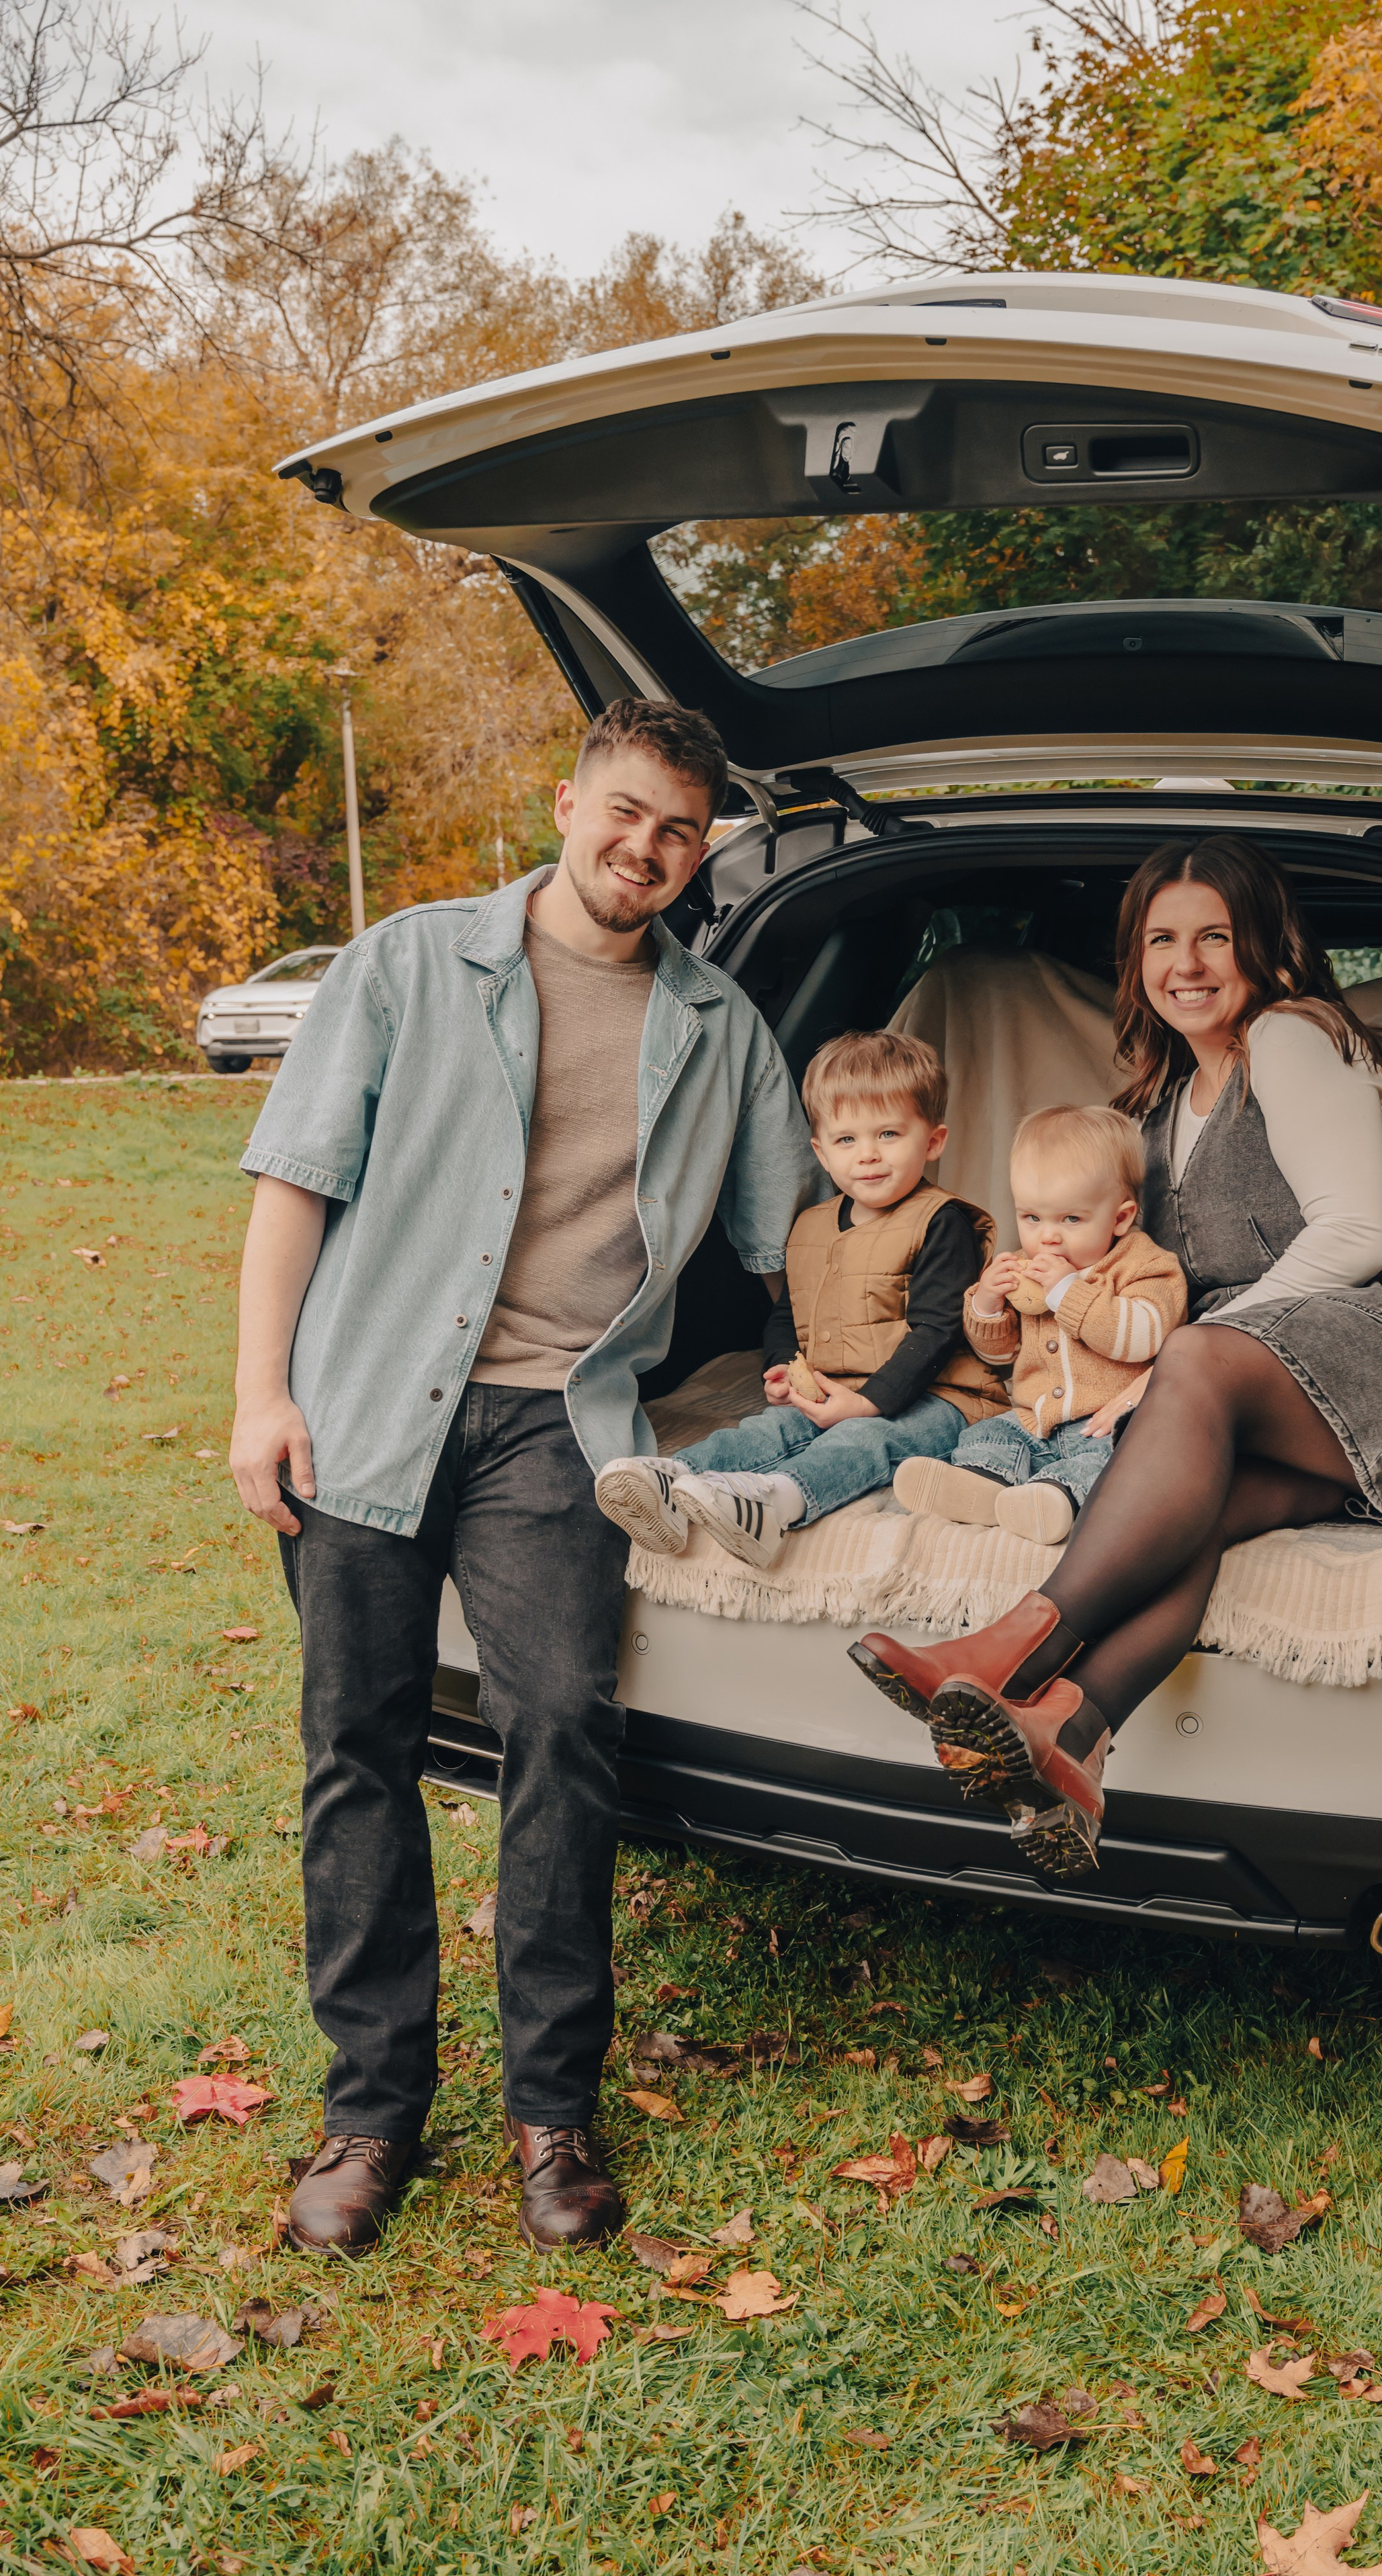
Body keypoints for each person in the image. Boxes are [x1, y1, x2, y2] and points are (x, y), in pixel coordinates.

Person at [228, 697, 819, 2258]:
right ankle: (371, 2116)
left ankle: (552, 2114)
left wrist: (852, 1349)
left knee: (560, 1724)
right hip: (363, 1408)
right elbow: (294, 1183)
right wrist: (259, 1396)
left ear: (702, 853)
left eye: (678, 830)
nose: (645, 847)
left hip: (561, 1425)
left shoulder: (718, 1029)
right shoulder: (410, 962)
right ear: (567, 802)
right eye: (624, 810)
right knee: (355, 1739)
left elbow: (794, 1244)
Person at [849, 834, 1382, 1881]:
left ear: (1265, 948)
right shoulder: (1153, 1108)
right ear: (1135, 959)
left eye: (1214, 936)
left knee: (1187, 1380)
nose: (1186, 963)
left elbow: (1359, 1235)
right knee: (1191, 1498)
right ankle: (1076, 1726)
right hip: (1290, 1374)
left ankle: (1012, 1642)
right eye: (1161, 939)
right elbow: (1144, 1280)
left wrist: (1176, 1364)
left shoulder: (1292, 1036)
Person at [595, 1029, 1009, 1570]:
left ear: (933, 1141)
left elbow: (938, 1330)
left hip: (943, 1399)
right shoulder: (811, 1226)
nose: (867, 1155)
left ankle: (776, 1504)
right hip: (842, 1388)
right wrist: (783, 1368)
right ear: (820, 1151)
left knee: (862, 1442)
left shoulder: (941, 1221)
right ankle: (673, 1479)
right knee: (771, 1428)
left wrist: (866, 1403)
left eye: (888, 1134)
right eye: (846, 1141)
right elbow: (790, 1313)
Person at [890, 1103, 1186, 1546]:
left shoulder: (1145, 1266)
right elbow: (1002, 1358)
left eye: (1071, 1219)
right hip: (1034, 1419)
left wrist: (1068, 1292)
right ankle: (980, 1483)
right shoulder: (1028, 1268)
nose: (1047, 1236)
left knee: (1111, 1461)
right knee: (987, 1435)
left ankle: (1056, 1498)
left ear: (1121, 1217)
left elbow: (1144, 1337)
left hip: (1103, 1424)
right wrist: (988, 1304)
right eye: (1031, 1217)